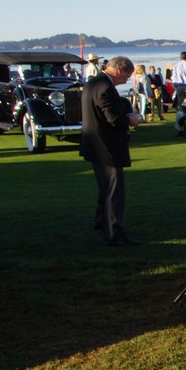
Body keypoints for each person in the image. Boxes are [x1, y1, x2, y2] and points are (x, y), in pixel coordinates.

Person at [80, 56, 142, 246]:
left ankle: (101, 222)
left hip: (94, 145)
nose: (125, 81)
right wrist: (130, 119)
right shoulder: (105, 87)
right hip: (105, 147)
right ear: (119, 70)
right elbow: (113, 117)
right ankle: (114, 232)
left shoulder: (93, 83)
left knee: (105, 188)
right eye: (126, 76)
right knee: (114, 190)